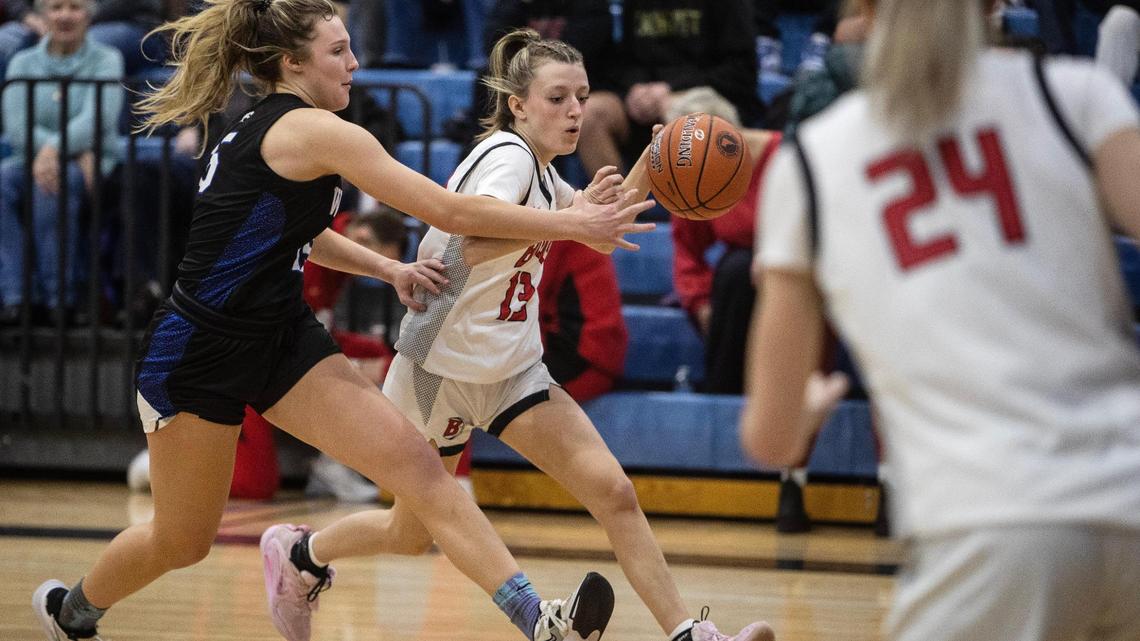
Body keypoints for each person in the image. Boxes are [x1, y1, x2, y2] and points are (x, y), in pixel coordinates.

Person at [30, 1, 657, 640]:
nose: (355, 62)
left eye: (351, 47)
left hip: (280, 335)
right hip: (199, 350)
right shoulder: (317, 131)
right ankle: (72, 614)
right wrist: (576, 225)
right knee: (181, 541)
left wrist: (387, 271)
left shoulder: (283, 130)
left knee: (421, 469)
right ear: (291, 63)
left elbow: (302, 232)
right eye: (338, 52)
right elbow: (451, 209)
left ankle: (538, 621)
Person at [262, 28, 774, 641]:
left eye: (582, 96)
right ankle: (301, 556)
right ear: (518, 105)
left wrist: (657, 158)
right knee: (410, 531)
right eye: (558, 98)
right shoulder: (505, 157)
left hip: (510, 370)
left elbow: (592, 217)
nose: (576, 110)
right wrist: (570, 227)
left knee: (614, 492)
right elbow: (471, 244)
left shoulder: (544, 173)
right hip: (439, 370)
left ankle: (689, 633)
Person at [742, 0, 1140, 638]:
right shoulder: (1076, 95)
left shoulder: (812, 163)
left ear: (860, 11)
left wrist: (805, 410)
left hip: (989, 526)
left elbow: (770, 438)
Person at [0, 0, 123, 326]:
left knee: (54, 182)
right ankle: (17, 297)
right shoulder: (22, 61)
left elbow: (97, 119)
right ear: (42, 15)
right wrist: (51, 153)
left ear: (89, 15)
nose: (65, 15)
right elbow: (16, 127)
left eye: (75, 7)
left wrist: (52, 151)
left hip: (94, 163)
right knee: (2, 181)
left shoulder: (108, 59)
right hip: (28, 158)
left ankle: (60, 300)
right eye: (55, 7)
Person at [575, 0, 759, 178]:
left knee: (685, 118)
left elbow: (741, 69)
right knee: (589, 113)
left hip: (705, 97)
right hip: (646, 102)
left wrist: (671, 89)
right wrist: (636, 88)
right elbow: (625, 60)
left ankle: (694, 207)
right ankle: (618, 206)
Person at [537, 238, 627, 402]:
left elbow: (526, 304)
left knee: (496, 385)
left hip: (584, 358)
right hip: (557, 347)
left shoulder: (551, 222)